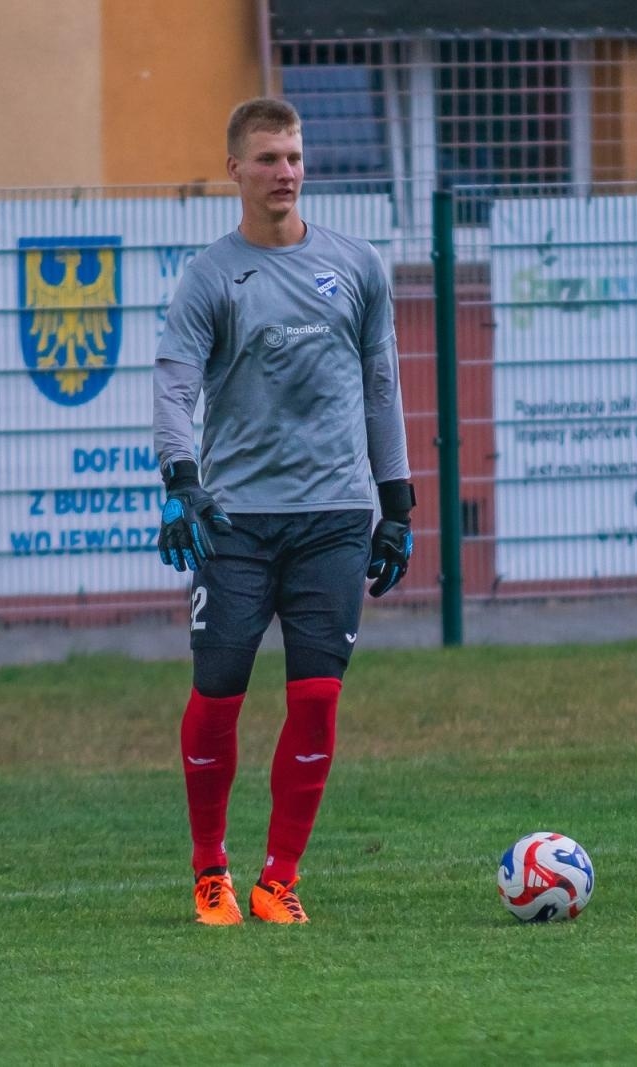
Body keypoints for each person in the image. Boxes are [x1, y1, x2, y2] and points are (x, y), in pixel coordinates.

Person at [152, 97, 413, 926]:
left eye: (295, 156)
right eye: (268, 158)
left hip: (335, 516)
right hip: (236, 523)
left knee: (317, 699)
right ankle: (209, 869)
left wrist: (397, 504)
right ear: (235, 170)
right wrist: (182, 481)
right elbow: (174, 384)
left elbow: (383, 389)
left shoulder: (360, 266)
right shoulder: (209, 276)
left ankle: (277, 878)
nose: (286, 172)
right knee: (219, 693)